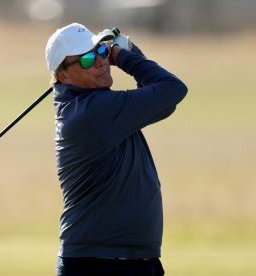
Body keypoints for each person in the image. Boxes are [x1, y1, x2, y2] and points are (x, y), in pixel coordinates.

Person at [45, 23, 187, 276]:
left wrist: (131, 52)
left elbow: (163, 103)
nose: (99, 61)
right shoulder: (93, 112)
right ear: (63, 76)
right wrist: (123, 56)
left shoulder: (94, 106)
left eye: (100, 52)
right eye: (87, 59)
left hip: (128, 260)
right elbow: (171, 89)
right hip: (98, 263)